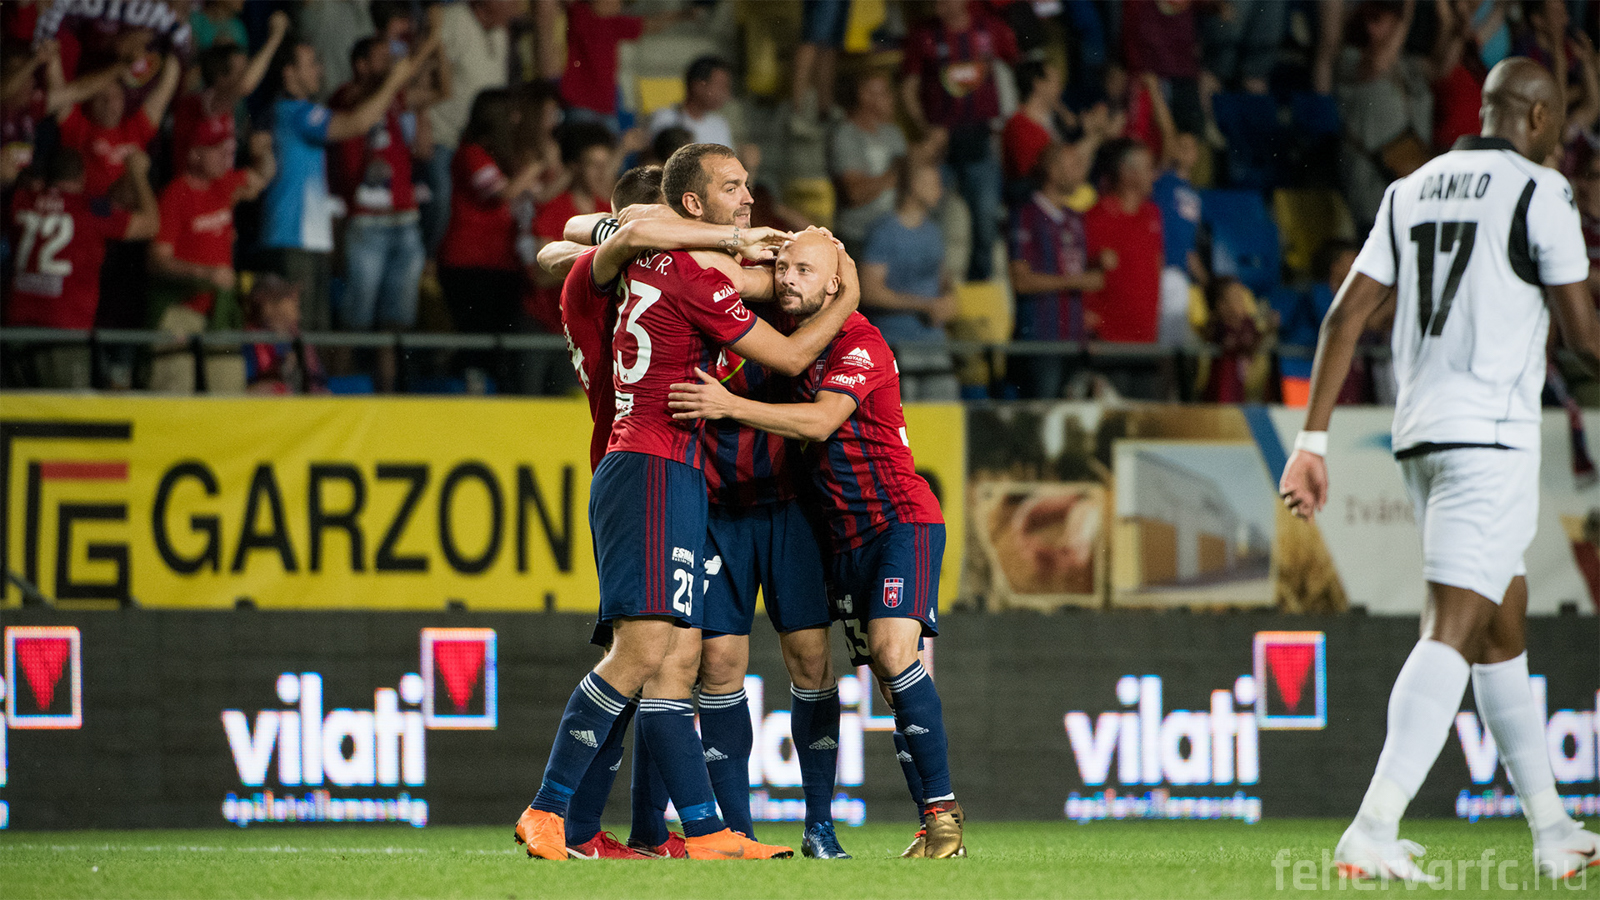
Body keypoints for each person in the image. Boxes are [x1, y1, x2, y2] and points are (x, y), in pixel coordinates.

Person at [1279, 57, 1600, 883]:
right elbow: (1586, 337)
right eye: (1559, 123)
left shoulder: (1409, 190)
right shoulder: (1542, 191)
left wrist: (1312, 443)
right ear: (1536, 118)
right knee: (1452, 625)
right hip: (1490, 439)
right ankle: (1372, 826)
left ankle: (1554, 828)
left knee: (1500, 627)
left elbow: (1345, 317)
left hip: (1421, 436)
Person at [511, 142, 859, 862]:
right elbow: (789, 351)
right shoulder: (684, 271)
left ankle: (681, 830)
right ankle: (551, 810)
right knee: (643, 652)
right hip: (647, 462)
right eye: (732, 188)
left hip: (658, 465)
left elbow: (571, 244)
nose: (748, 200)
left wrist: (766, 254)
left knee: (665, 656)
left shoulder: (623, 266)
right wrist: (843, 294)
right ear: (686, 210)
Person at [668, 230, 965, 860]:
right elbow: (735, 281)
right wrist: (736, 247)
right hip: (839, 535)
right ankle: (926, 825)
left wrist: (728, 405)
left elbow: (823, 420)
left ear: (834, 284)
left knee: (891, 655)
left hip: (898, 520)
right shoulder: (780, 327)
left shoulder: (861, 342)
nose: (787, 278)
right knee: (885, 679)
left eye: (804, 270)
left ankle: (940, 817)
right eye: (784, 267)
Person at [261, 38, 420, 334]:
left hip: (309, 237)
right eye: (311, 64)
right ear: (289, 72)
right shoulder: (294, 113)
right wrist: (393, 83)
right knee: (297, 334)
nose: (319, 71)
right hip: (292, 235)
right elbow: (356, 124)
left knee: (315, 333)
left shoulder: (299, 111)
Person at [327, 32, 444, 390]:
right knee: (356, 317)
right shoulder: (346, 96)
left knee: (396, 322)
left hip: (404, 219)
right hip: (366, 220)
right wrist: (418, 54)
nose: (391, 64)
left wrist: (435, 44)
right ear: (361, 65)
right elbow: (364, 106)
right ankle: (338, 395)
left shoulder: (393, 97)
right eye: (381, 57)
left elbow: (440, 92)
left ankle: (389, 395)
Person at [4, 148, 158, 388]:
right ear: (82, 177)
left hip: (16, 331)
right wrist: (138, 174)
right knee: (64, 410)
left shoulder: (20, 200)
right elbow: (150, 224)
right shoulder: (91, 208)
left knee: (12, 409)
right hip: (65, 332)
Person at [147, 126, 275, 393]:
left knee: (229, 393)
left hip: (218, 311)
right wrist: (205, 273)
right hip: (180, 311)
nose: (225, 157)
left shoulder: (222, 185)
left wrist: (263, 152)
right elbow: (157, 260)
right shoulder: (175, 195)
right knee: (175, 394)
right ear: (194, 154)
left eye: (227, 150)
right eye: (216, 150)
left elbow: (263, 177)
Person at [900, 0, 1018, 282]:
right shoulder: (924, 35)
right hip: (941, 143)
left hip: (980, 138)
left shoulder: (988, 28)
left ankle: (980, 285)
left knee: (986, 218)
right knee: (930, 216)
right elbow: (908, 88)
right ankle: (929, 284)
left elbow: (1013, 66)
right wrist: (925, 127)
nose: (941, 5)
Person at [1007, 141, 1107, 398]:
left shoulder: (1075, 218)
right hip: (1041, 341)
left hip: (1075, 342)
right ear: (1052, 170)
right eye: (1072, 164)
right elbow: (1021, 281)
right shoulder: (1027, 214)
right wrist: (1077, 282)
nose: (1080, 170)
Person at [860, 159, 960, 401]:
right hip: (897, 343)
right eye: (934, 183)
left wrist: (949, 298)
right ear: (915, 185)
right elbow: (870, 291)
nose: (940, 190)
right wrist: (925, 305)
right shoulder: (883, 232)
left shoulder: (933, 231)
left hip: (934, 342)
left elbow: (942, 278)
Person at [171, 11, 290, 170]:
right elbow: (245, 86)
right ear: (220, 78)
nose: (247, 74)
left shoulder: (226, 108)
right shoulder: (202, 103)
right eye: (241, 73)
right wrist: (275, 37)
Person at [1084, 139, 1163, 343]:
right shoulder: (1097, 217)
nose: (1154, 175)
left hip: (1146, 338)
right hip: (1108, 338)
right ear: (1127, 173)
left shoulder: (1152, 214)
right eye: (1148, 168)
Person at [243, 274, 328, 395]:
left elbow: (318, 380)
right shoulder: (250, 339)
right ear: (267, 306)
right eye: (286, 297)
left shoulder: (299, 339)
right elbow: (246, 387)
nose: (295, 300)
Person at [646, 56, 735, 148]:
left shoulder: (719, 125)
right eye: (721, 86)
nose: (725, 93)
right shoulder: (666, 119)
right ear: (698, 85)